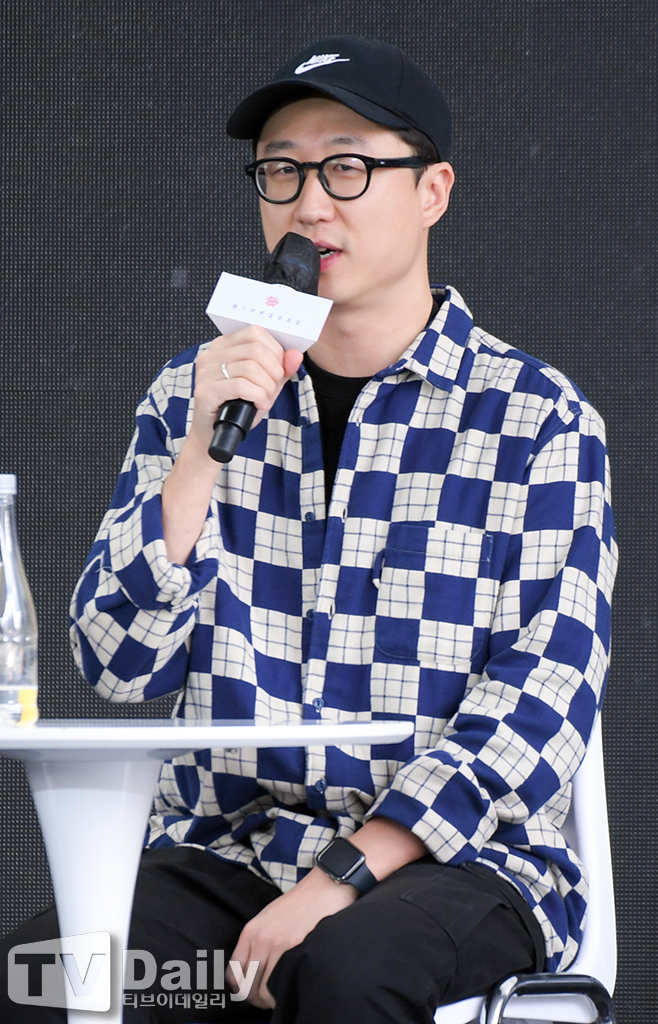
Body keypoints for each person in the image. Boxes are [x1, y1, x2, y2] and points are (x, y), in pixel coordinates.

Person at [2, 34, 617, 1024]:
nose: (309, 204)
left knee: (345, 971)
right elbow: (116, 661)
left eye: (346, 168)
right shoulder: (193, 394)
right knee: (41, 979)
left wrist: (339, 878)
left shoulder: (537, 419)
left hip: (452, 859)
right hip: (230, 853)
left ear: (433, 191)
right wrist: (201, 455)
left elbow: (538, 703)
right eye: (281, 171)